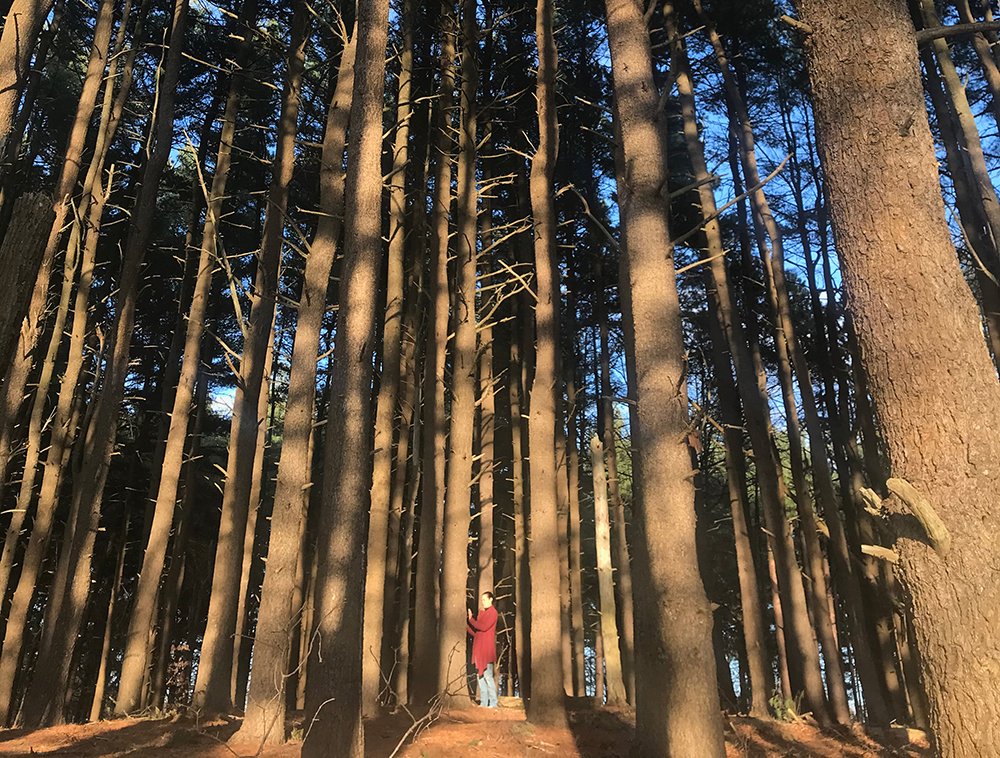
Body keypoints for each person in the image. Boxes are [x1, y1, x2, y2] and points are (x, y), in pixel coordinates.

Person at [467, 591, 499, 708]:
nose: (483, 602)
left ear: (491, 599)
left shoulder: (493, 613)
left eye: (485, 599)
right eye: (482, 600)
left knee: (488, 676)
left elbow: (483, 627)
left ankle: (493, 703)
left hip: (486, 650)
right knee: (480, 677)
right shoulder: (483, 614)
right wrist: (466, 626)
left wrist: (471, 620)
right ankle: (484, 703)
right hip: (479, 650)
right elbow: (477, 634)